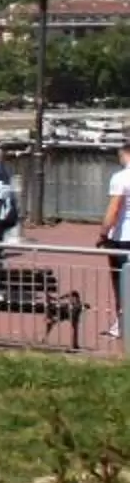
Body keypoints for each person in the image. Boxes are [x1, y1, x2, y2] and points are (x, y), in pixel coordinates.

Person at [101, 139, 130, 341]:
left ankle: (122, 324)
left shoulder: (121, 178)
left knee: (121, 282)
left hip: (123, 237)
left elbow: (114, 209)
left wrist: (103, 233)